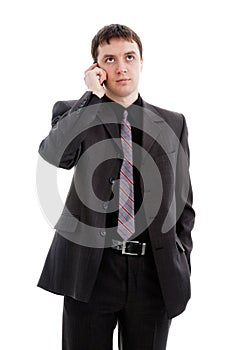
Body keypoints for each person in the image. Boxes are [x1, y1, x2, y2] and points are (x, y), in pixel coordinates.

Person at [37, 24, 195, 350]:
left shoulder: (172, 122)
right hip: (91, 271)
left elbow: (184, 205)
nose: (121, 67)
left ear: (141, 62)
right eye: (109, 59)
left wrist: (180, 258)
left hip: (154, 273)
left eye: (129, 57)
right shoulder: (77, 112)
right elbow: (56, 155)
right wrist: (90, 97)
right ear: (96, 69)